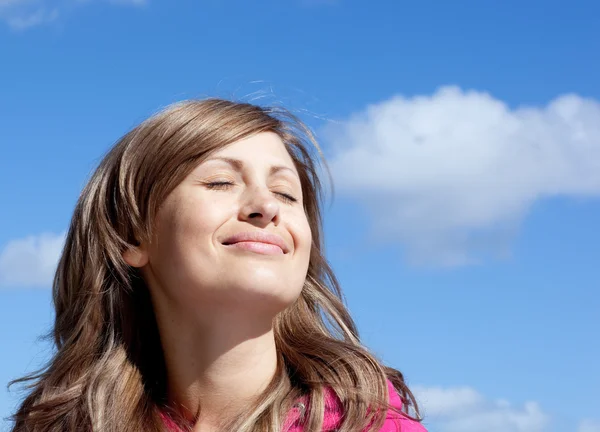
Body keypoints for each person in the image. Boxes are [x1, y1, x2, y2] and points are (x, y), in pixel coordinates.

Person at [10, 99, 427, 432]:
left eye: (285, 193)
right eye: (220, 182)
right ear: (132, 236)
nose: (266, 207)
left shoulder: (372, 425)